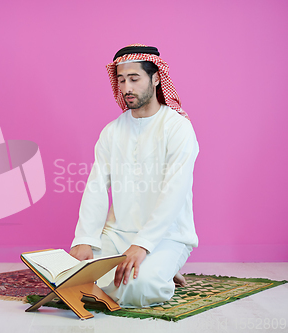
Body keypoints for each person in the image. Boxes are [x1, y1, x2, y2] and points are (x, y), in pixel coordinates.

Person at [69, 44, 199, 308]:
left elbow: (175, 192)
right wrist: (85, 239)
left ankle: (160, 266)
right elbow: (96, 187)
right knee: (72, 280)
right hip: (117, 234)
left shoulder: (178, 128)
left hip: (167, 235)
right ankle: (159, 269)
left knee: (137, 288)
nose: (126, 87)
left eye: (134, 78)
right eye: (121, 80)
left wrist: (143, 245)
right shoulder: (112, 132)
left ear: (156, 78)